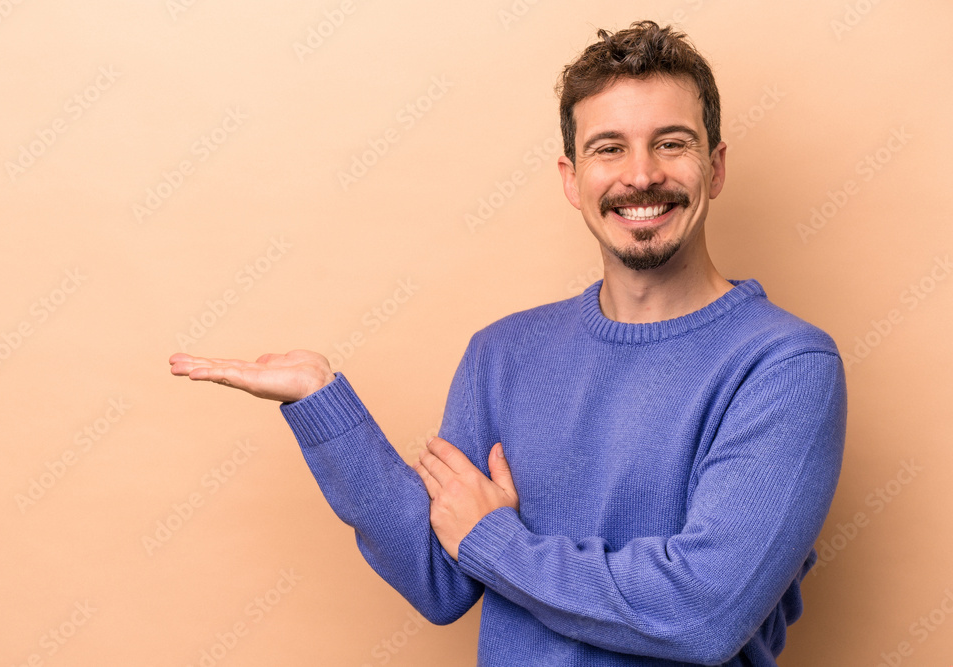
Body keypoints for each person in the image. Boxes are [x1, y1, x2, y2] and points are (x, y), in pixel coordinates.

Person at [170, 20, 846, 666]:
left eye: (671, 143)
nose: (640, 175)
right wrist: (325, 407)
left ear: (716, 166)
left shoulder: (783, 365)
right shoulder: (504, 353)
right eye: (608, 148)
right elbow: (441, 578)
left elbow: (702, 611)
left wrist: (498, 540)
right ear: (570, 179)